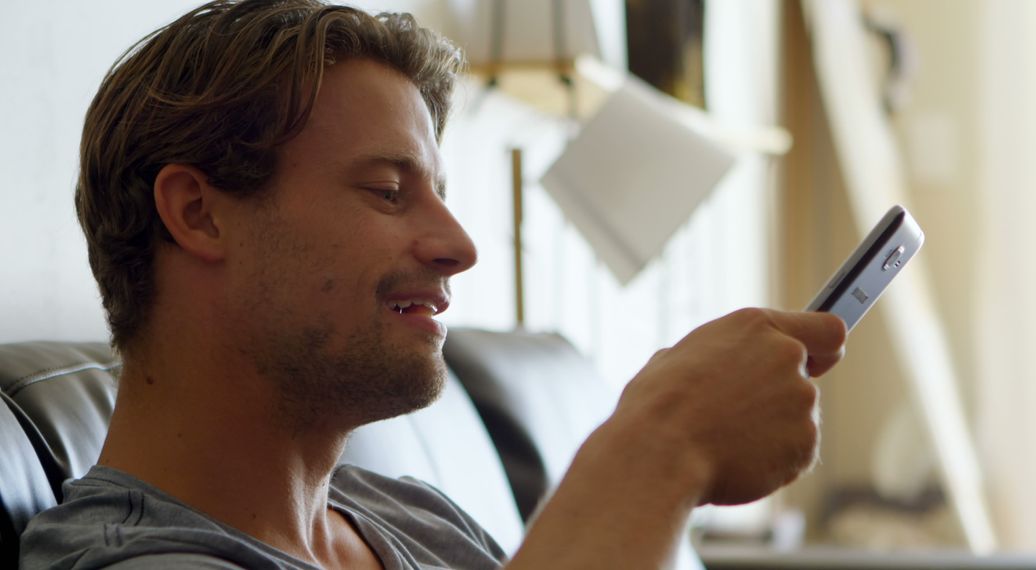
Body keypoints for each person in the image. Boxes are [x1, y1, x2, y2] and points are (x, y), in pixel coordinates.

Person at [19, 0, 847, 568]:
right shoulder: (126, 558)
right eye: (387, 190)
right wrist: (664, 442)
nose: (458, 245)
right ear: (199, 214)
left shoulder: (414, 519)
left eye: (440, 196)